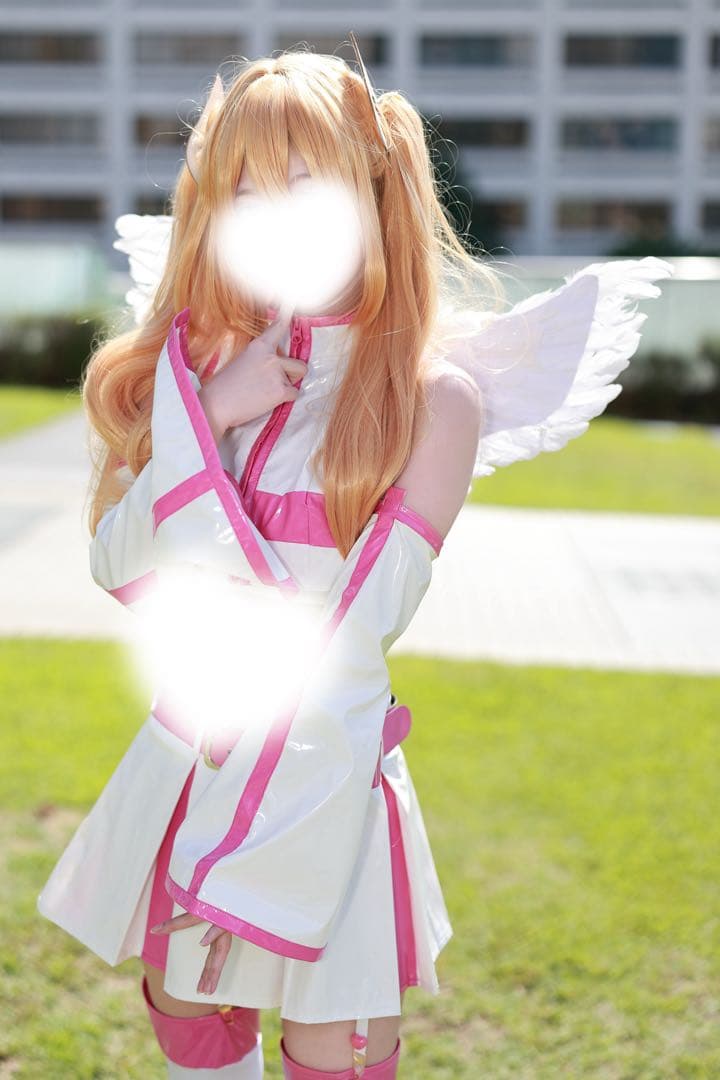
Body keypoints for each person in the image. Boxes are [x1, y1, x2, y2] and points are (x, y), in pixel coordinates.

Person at [36, 45, 674, 1080]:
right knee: (188, 1013)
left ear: (371, 190)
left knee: (335, 1047)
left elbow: (357, 629)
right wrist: (214, 409)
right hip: (199, 747)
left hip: (319, 768)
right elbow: (121, 563)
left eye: (304, 182)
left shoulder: (435, 399)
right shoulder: (209, 365)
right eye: (245, 188)